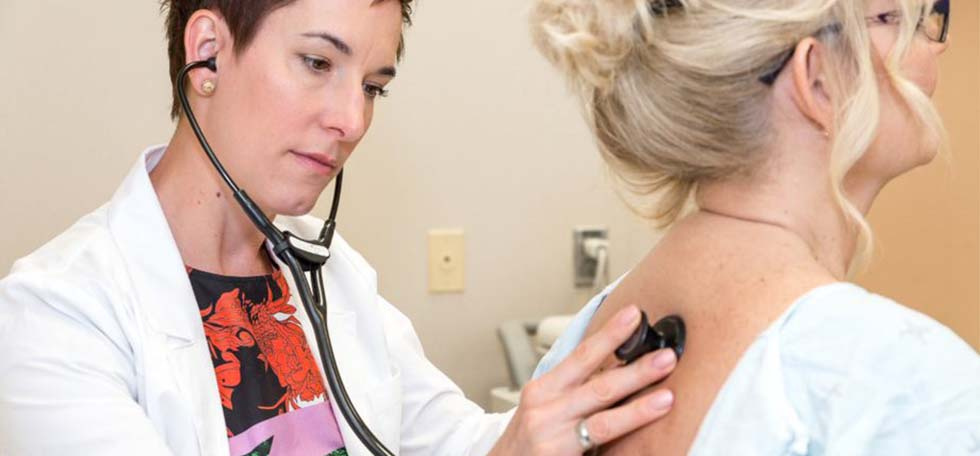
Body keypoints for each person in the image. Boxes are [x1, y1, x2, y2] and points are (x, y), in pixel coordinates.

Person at [0, 1, 679, 455]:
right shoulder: (55, 316)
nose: (352, 121)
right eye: (319, 64)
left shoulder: (333, 276)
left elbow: (457, 442)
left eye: (373, 85)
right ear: (206, 52)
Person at [530, 0, 979, 454]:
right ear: (817, 78)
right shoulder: (906, 388)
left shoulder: (589, 334)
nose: (934, 43)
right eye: (890, 18)